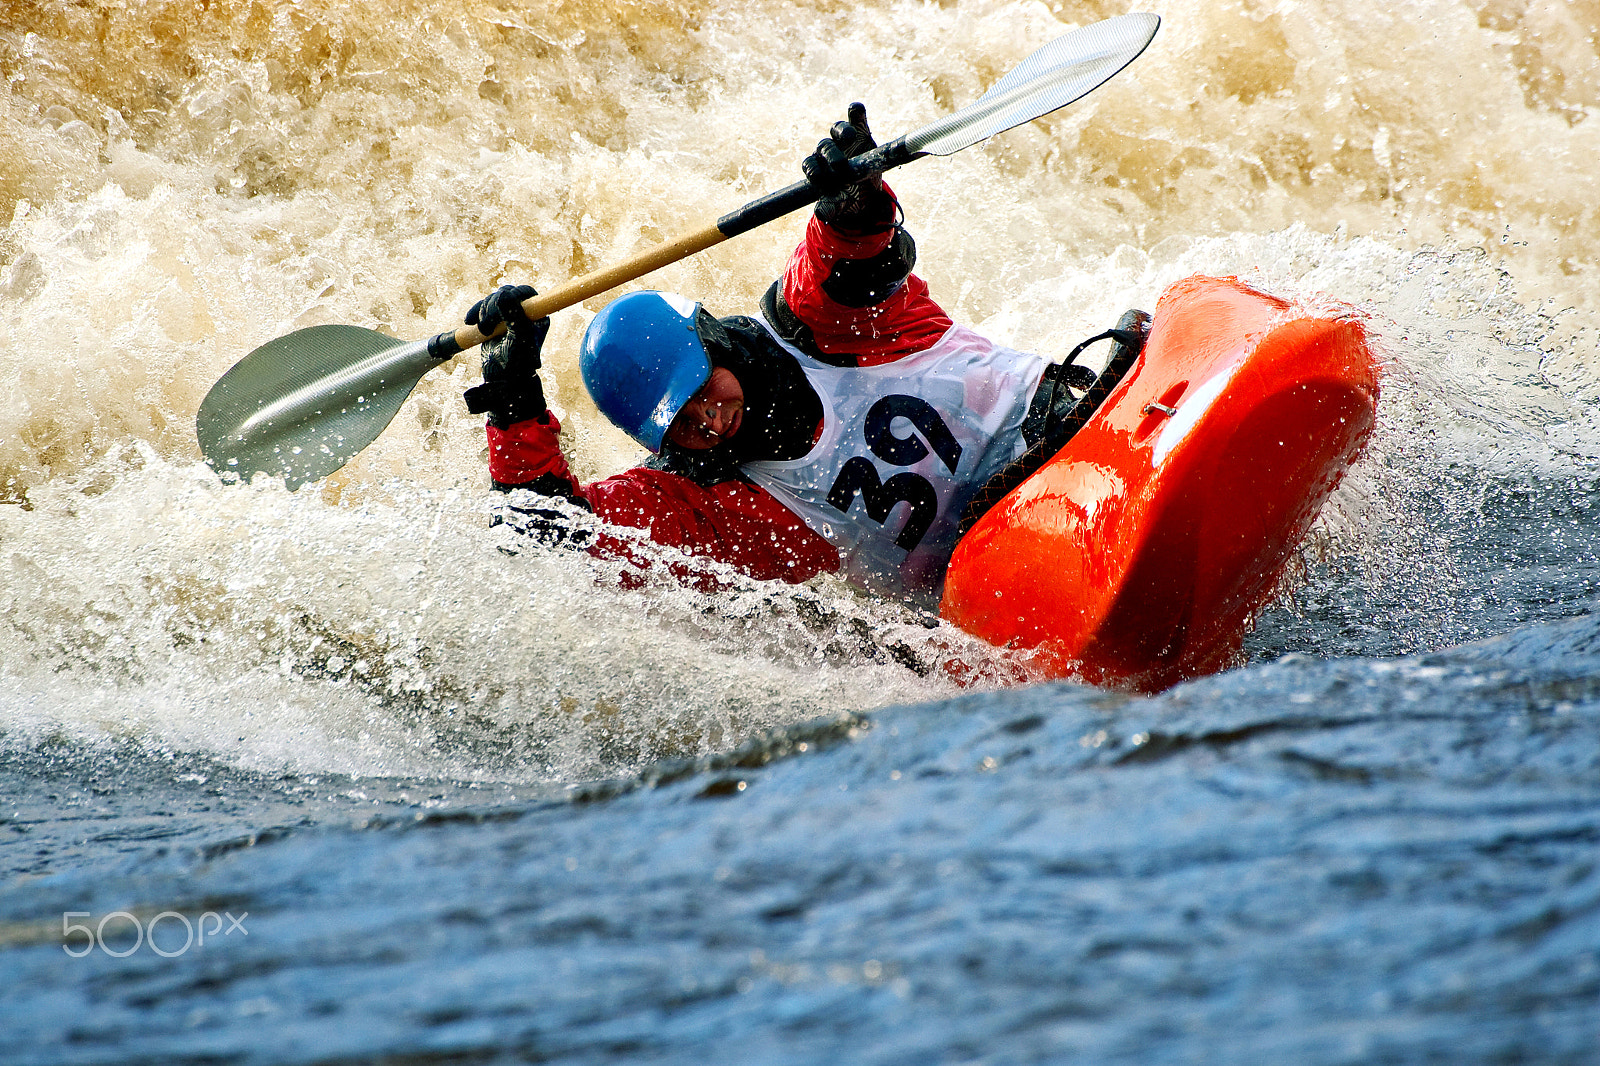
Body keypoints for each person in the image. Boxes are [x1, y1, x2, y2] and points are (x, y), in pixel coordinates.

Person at [463, 105, 1141, 604]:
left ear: (714, 342)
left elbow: (852, 251)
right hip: (1001, 566)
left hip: (1072, 430)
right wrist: (512, 395)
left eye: (703, 390)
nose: (709, 422)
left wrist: (854, 195)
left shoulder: (816, 320)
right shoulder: (705, 503)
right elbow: (546, 535)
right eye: (681, 424)